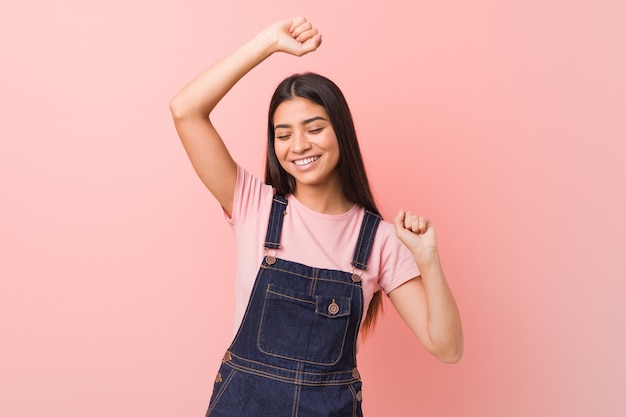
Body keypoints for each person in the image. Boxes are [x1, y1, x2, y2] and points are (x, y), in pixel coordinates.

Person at [170, 17, 463, 417]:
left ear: (339, 130)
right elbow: (185, 110)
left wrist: (428, 259)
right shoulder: (253, 204)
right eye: (284, 133)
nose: (299, 145)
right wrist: (268, 43)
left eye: (314, 128)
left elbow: (447, 348)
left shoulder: (379, 240)